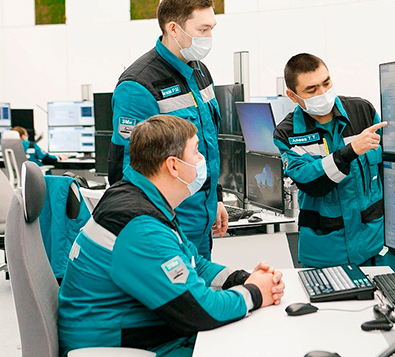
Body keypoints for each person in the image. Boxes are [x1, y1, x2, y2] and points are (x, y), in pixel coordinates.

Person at [58, 115, 285, 357]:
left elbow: (194, 265)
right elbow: (200, 312)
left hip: (133, 332)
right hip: (115, 348)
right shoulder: (141, 226)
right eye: (196, 151)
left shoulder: (141, 198)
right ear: (173, 166)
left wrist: (243, 278)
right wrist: (255, 293)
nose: (202, 160)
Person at [109, 0, 228, 259]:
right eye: (202, 30)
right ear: (174, 29)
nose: (209, 37)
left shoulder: (200, 71)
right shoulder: (138, 85)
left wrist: (217, 198)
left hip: (203, 218)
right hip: (167, 224)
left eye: (211, 29)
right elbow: (126, 171)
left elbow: (208, 147)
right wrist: (155, 228)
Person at [273, 53, 395, 271]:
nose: (322, 93)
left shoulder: (362, 111)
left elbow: (389, 169)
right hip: (326, 256)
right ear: (292, 96)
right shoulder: (288, 134)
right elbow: (312, 183)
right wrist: (350, 151)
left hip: (377, 249)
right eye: (311, 90)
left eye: (326, 83)